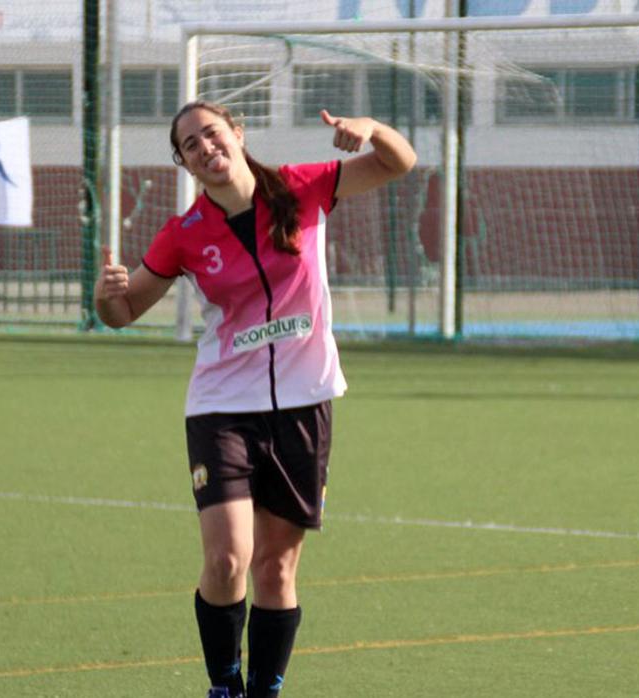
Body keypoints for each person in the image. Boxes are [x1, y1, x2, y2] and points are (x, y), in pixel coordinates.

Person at [94, 100, 416, 697]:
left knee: (276, 567)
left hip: (304, 402)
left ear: (237, 134)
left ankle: (265, 690)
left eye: (212, 133)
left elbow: (400, 162)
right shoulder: (184, 233)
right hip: (222, 407)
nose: (206, 147)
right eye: (190, 144)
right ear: (185, 163)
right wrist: (105, 295)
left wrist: (371, 128)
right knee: (227, 561)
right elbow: (123, 311)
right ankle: (225, 686)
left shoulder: (302, 189)